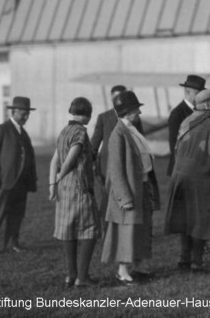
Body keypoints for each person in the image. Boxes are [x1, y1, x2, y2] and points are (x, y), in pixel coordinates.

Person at [164, 90, 210, 272]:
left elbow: (178, 149)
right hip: (199, 178)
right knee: (201, 220)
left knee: (185, 220)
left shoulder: (186, 122)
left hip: (179, 176)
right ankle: (197, 262)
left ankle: (184, 259)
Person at [101, 91, 161, 285]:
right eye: (136, 110)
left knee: (140, 230)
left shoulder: (131, 130)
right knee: (127, 232)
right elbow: (116, 170)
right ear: (127, 112)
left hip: (139, 186)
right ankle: (122, 271)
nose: (139, 113)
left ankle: (137, 268)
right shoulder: (118, 134)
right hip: (128, 192)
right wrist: (124, 198)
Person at [48, 97, 101, 288]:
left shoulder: (64, 131)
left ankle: (71, 275)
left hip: (64, 190)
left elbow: (54, 160)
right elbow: (70, 160)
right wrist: (61, 176)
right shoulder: (80, 132)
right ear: (87, 114)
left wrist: (53, 184)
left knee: (68, 231)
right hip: (79, 188)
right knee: (90, 231)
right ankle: (83, 277)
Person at [0, 96, 37, 255]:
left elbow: (29, 156)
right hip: (5, 181)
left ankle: (13, 243)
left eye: (27, 114)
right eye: (22, 113)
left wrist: (31, 179)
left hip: (21, 183)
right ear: (14, 111)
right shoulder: (1, 130)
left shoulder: (23, 133)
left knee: (17, 213)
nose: (25, 117)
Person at [90, 85, 144, 229]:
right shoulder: (104, 117)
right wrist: (89, 161)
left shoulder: (135, 119)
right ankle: (107, 230)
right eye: (116, 98)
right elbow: (95, 142)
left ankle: (122, 230)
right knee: (108, 200)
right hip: (106, 166)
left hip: (129, 166)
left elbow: (140, 140)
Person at [167, 75, 207, 177]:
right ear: (187, 92)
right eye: (198, 94)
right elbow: (175, 146)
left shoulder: (201, 112)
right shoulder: (177, 114)